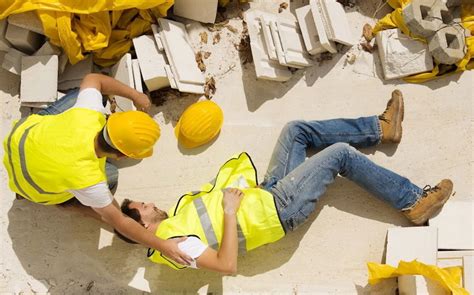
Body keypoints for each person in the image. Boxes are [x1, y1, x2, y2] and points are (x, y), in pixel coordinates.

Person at [119, 90, 453, 273]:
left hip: (266, 194)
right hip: (279, 209)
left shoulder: (174, 223)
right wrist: (231, 210)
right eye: (142, 209)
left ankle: (381, 129)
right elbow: (227, 265)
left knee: (296, 131)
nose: (148, 204)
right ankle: (412, 201)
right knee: (340, 155)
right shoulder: (173, 244)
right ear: (142, 228)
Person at [3, 73, 192, 265]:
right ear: (122, 155)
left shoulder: (89, 113)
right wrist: (163, 246)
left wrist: (135, 95)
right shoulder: (89, 180)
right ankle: (66, 203)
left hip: (19, 139)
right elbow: (120, 222)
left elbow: (94, 78)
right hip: (31, 188)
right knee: (111, 176)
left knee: (91, 94)